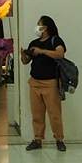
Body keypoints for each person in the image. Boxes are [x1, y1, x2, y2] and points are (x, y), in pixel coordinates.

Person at [22, 15, 67, 151]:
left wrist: (42, 51)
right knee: (37, 114)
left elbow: (60, 54)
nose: (37, 27)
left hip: (51, 83)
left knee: (54, 113)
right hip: (35, 82)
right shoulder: (34, 43)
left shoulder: (55, 40)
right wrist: (23, 54)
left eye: (39, 24)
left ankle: (59, 139)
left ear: (45, 27)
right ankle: (37, 139)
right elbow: (25, 61)